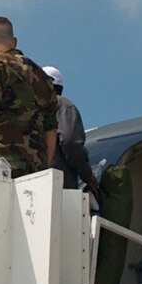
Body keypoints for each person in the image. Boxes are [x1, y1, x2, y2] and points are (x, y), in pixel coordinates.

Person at [0, 16, 59, 176]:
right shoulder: (43, 77)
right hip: (36, 169)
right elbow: (51, 128)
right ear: (14, 42)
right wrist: (44, 166)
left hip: (1, 161)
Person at [44, 65, 92, 193]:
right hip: (57, 186)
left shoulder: (24, 108)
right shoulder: (62, 104)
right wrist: (87, 176)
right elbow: (70, 142)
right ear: (60, 88)